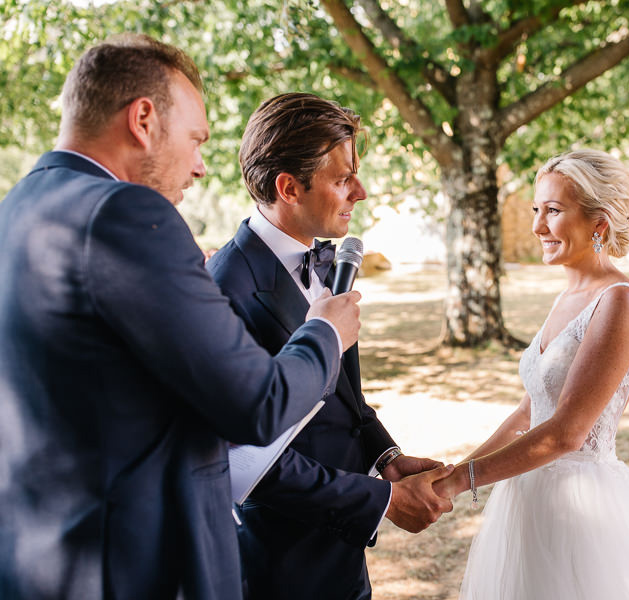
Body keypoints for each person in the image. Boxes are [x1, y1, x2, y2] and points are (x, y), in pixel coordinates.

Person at [0, 35, 362, 599]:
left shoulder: (21, 207)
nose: (198, 167)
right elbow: (256, 405)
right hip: (128, 565)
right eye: (195, 140)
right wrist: (325, 330)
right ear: (143, 119)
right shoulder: (124, 212)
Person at [433, 149, 629, 599]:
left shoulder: (619, 301)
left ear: (598, 223)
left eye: (553, 211)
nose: (537, 226)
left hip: (583, 503)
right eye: (536, 210)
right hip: (529, 496)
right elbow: (528, 411)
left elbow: (567, 432)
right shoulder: (569, 292)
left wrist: (461, 481)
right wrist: (454, 472)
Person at [206, 93, 452, 600]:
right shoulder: (225, 285)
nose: (360, 192)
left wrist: (383, 452)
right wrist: (381, 501)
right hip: (276, 562)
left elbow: (344, 396)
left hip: (338, 555)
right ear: (289, 187)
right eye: (342, 179)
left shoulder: (325, 262)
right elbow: (247, 459)